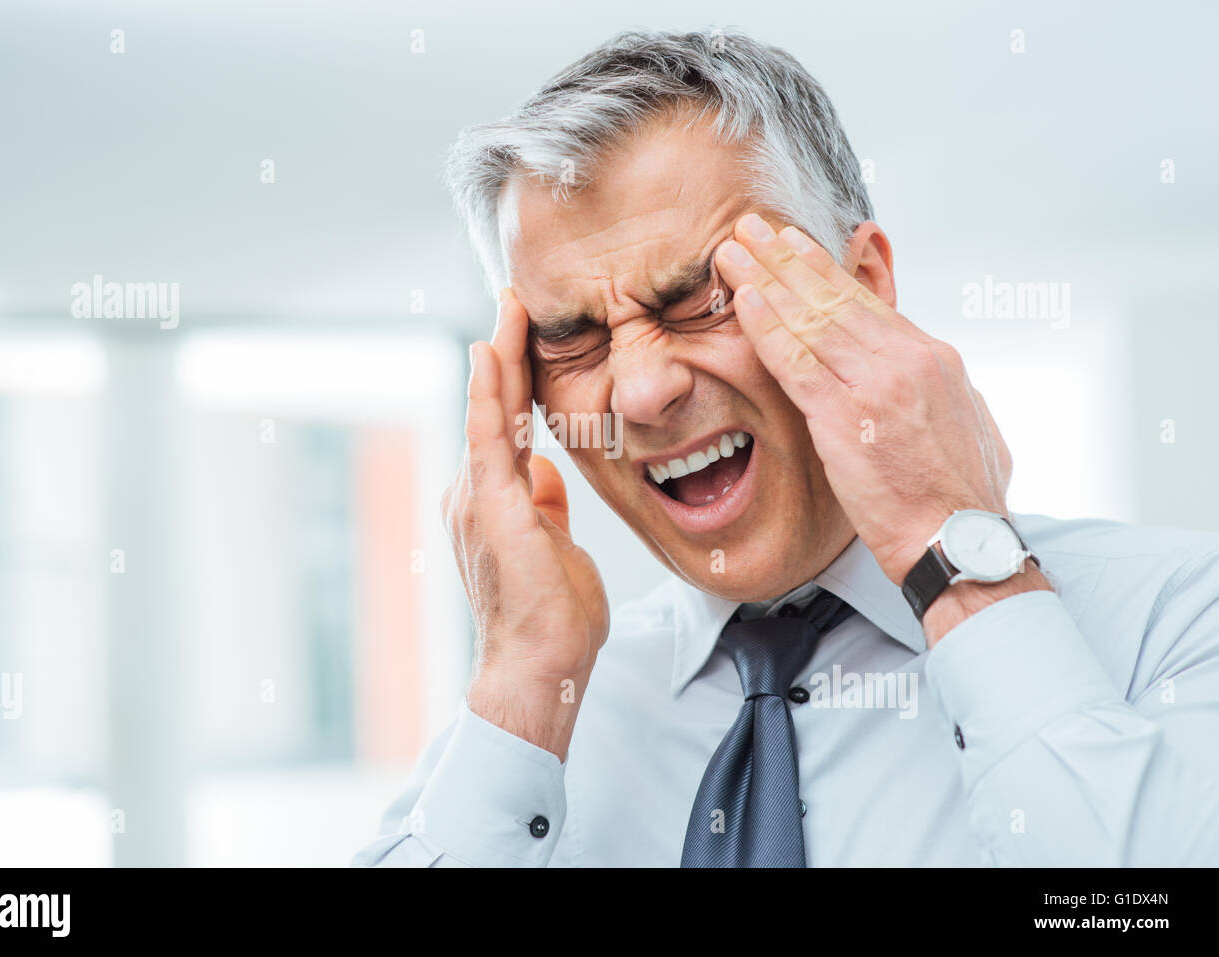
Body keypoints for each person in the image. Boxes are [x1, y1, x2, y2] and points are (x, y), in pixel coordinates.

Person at [353, 28, 1219, 866]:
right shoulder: (535, 722)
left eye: (704, 296)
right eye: (573, 338)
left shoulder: (1175, 620)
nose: (644, 391)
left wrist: (958, 560)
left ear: (863, 290)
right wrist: (521, 686)